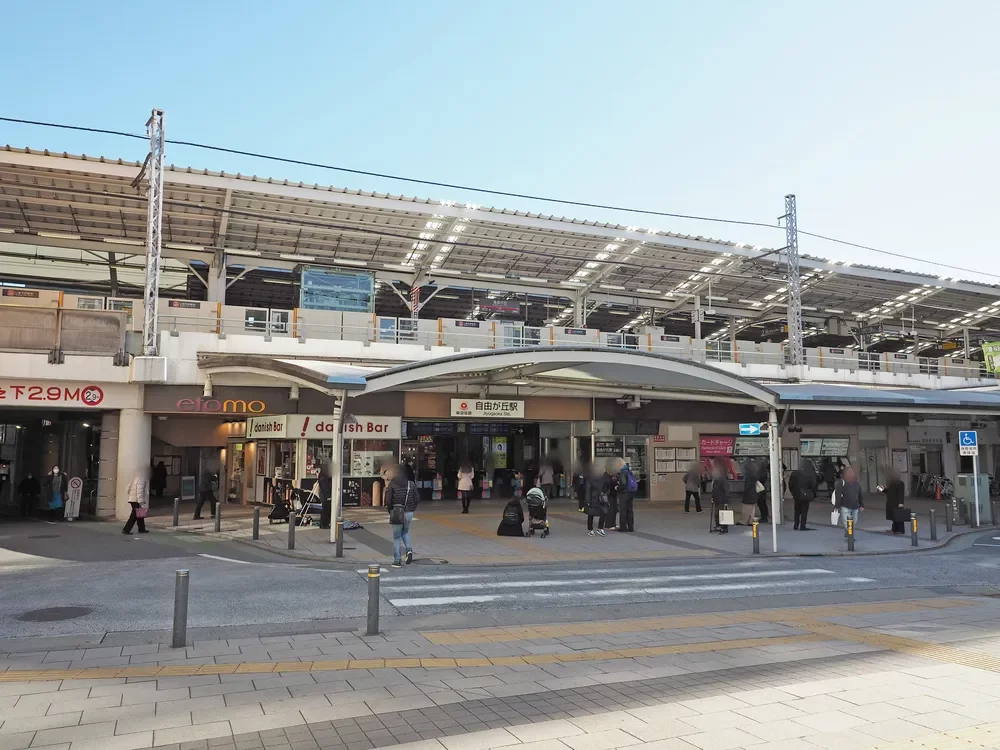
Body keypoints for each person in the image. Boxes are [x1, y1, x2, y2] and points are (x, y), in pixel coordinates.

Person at [385, 464, 418, 567]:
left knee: (396, 537)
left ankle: (397, 560)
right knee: (405, 533)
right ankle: (409, 550)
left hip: (397, 512)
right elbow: (416, 499)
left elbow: (388, 500)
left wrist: (390, 510)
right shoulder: (411, 484)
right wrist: (411, 509)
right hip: (409, 513)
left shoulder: (392, 484)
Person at [789, 459, 818, 531]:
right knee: (804, 511)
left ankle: (796, 525)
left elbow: (790, 484)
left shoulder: (794, 473)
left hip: (796, 494)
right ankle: (802, 526)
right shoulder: (810, 473)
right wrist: (812, 493)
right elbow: (814, 485)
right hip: (806, 494)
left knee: (797, 510)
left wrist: (793, 492)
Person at [835, 466, 865, 536]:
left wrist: (862, 505)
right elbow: (838, 494)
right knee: (847, 523)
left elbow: (860, 494)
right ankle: (850, 537)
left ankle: (848, 533)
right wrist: (837, 506)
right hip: (845, 506)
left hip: (855, 506)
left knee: (854, 522)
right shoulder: (841, 483)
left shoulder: (856, 483)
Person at [122, 466, 151, 535]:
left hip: (132, 499)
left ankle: (142, 529)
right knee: (134, 516)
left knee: (140, 514)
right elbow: (140, 491)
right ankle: (126, 529)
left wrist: (131, 495)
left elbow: (127, 488)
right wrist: (141, 501)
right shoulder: (142, 479)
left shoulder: (135, 478)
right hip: (136, 500)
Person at [584, 464, 609, 536]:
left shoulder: (602, 477)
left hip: (598, 498)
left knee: (600, 513)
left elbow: (606, 487)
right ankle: (593, 529)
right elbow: (588, 490)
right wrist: (587, 500)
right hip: (597, 498)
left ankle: (596, 529)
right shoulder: (593, 478)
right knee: (593, 514)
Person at [881, 468, 906, 534]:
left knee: (899, 516)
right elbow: (889, 491)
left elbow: (901, 493)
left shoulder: (900, 483)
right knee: (893, 516)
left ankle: (900, 530)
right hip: (891, 502)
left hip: (896, 502)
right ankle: (894, 529)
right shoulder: (892, 483)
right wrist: (882, 489)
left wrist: (901, 503)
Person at [618, 459, 637, 532]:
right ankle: (631, 527)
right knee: (630, 510)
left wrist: (618, 488)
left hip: (624, 493)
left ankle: (623, 527)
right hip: (631, 493)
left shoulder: (623, 472)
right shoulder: (629, 471)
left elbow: (623, 484)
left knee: (623, 510)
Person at [711, 460, 730, 534]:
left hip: (722, 499)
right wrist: (712, 497)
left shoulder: (722, 479)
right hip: (717, 499)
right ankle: (718, 525)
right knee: (716, 514)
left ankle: (724, 527)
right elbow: (714, 489)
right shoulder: (716, 479)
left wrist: (726, 501)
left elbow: (726, 490)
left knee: (722, 514)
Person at [740, 459, 758, 526]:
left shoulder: (748, 476)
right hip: (754, 493)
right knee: (752, 508)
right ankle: (751, 521)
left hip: (749, 494)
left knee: (746, 508)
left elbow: (747, 486)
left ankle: (743, 521)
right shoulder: (754, 474)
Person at [605, 462, 620, 531]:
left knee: (614, 509)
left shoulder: (614, 475)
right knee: (610, 509)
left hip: (614, 494)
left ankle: (613, 523)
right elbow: (607, 485)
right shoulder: (605, 475)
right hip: (609, 494)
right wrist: (614, 486)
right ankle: (608, 525)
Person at [756, 459, 771, 524]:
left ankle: (764, 517)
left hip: (760, 489)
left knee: (761, 503)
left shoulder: (760, 472)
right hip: (763, 489)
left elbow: (758, 479)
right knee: (763, 503)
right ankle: (765, 516)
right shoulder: (764, 472)